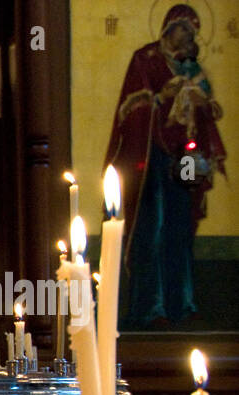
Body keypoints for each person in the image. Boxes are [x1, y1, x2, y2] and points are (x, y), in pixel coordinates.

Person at [105, 4, 225, 328]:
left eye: (191, 32)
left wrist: (202, 102)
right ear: (170, 27)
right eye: (183, 29)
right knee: (153, 227)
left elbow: (210, 108)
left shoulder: (191, 67)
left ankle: (182, 305)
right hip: (153, 155)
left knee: (181, 226)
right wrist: (160, 96)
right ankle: (150, 307)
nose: (187, 37)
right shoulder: (146, 59)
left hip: (185, 156)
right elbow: (130, 108)